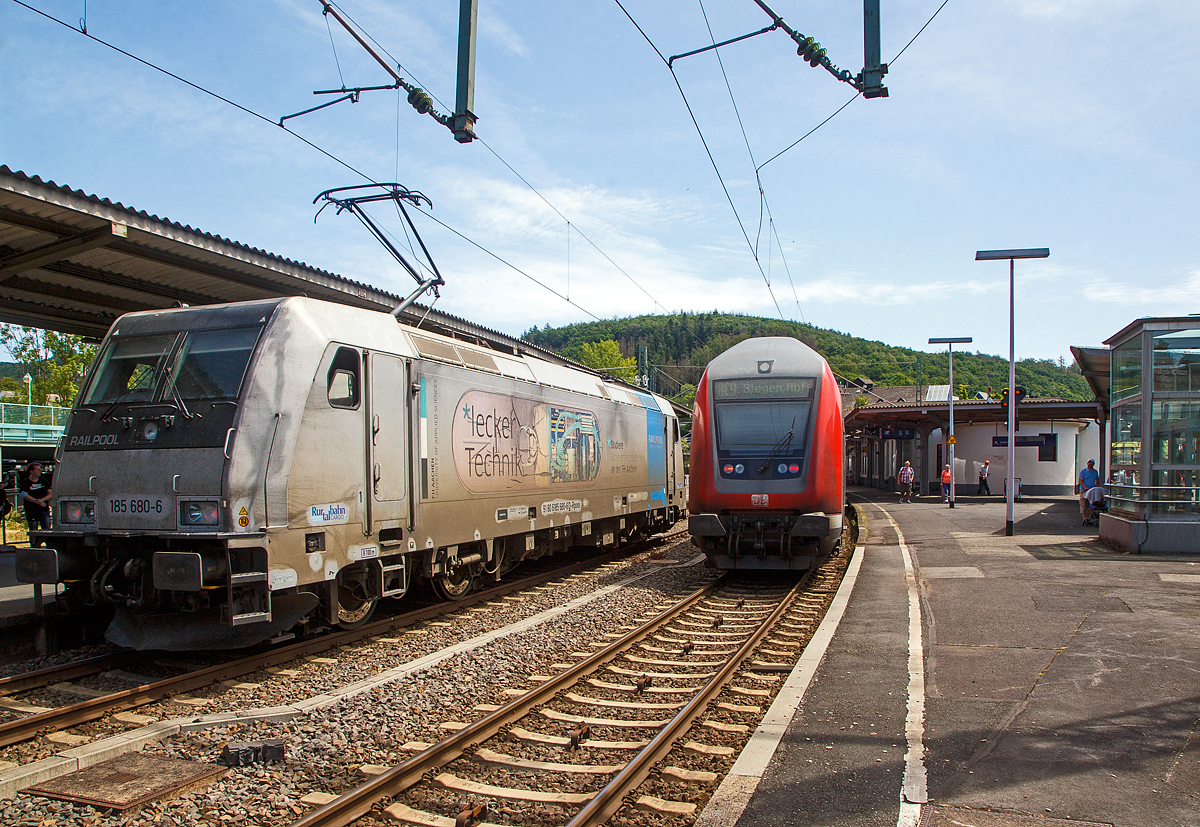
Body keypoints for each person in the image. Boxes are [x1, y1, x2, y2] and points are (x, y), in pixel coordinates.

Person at [18, 461, 52, 547]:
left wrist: (41, 500)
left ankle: (50, 547)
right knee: (33, 530)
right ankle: (35, 547)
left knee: (46, 530)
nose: (39, 471)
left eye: (40, 470)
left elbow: (50, 493)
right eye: (37, 470)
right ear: (31, 471)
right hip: (31, 510)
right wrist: (35, 501)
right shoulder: (25, 482)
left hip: (43, 509)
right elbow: (23, 494)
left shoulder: (44, 481)